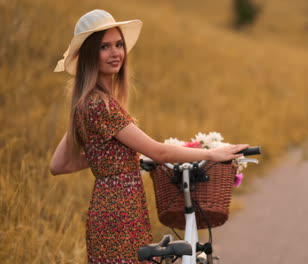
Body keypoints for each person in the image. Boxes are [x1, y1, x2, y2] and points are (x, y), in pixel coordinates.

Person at [49, 9, 248, 263]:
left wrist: (107, 158)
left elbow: (58, 164)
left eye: (119, 44)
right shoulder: (101, 105)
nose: (116, 53)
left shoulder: (87, 102)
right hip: (120, 211)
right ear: (89, 55)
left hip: (114, 207)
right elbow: (158, 152)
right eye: (105, 47)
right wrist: (212, 153)